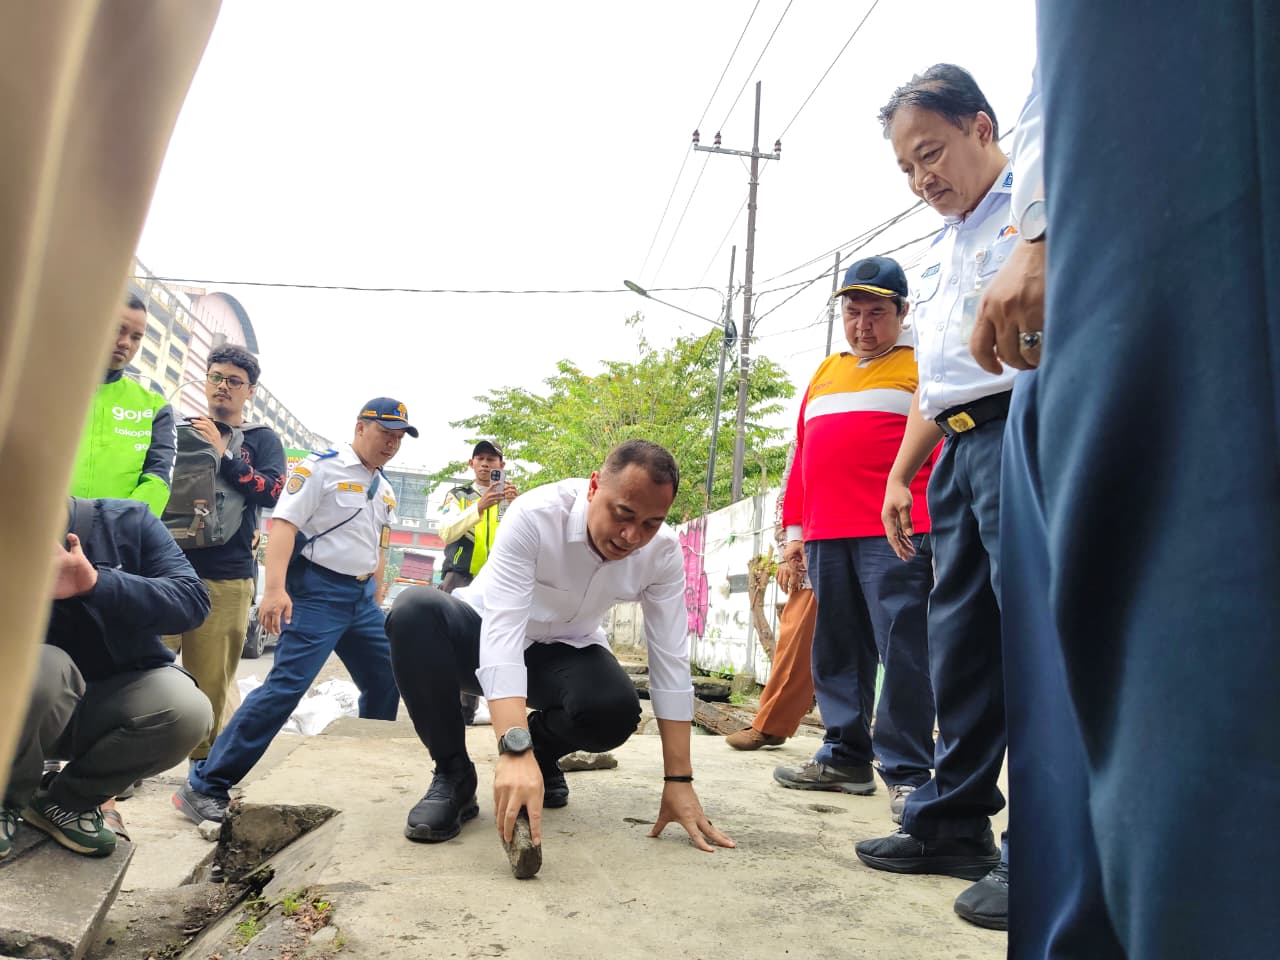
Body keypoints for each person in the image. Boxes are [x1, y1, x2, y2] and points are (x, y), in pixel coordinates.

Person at [386, 440, 734, 877]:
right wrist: (512, 749)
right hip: (481, 634)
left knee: (614, 710)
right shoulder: (536, 515)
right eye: (623, 514)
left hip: (566, 648)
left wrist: (679, 781)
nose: (632, 536)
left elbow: (670, 660)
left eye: (651, 522)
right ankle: (454, 774)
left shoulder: (661, 552)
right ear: (594, 487)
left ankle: (543, 754)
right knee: (414, 612)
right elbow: (503, 632)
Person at [855, 65, 1017, 900]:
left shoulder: (1038, 208)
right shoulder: (943, 247)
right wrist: (901, 473)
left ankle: (1045, 847)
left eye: (931, 153)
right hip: (956, 451)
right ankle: (953, 822)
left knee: (1035, 641)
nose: (922, 179)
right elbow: (938, 379)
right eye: (907, 168)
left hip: (1024, 430)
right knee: (962, 644)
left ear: (982, 128)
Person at [173, 398, 414, 824]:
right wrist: (275, 590)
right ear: (360, 428)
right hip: (318, 593)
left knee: (388, 677)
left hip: (361, 601)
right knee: (284, 689)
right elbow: (284, 525)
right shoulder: (321, 469)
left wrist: (375, 596)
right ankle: (205, 785)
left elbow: (379, 547)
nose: (391, 443)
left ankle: (362, 768)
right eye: (385, 433)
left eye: (398, 437)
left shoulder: (385, 489)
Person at [773, 257, 937, 826]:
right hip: (826, 532)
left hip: (897, 529)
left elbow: (941, 444)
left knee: (903, 649)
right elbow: (804, 454)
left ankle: (909, 771)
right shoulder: (826, 371)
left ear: (902, 312)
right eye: (852, 313)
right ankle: (844, 757)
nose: (862, 325)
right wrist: (795, 533)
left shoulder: (923, 364)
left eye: (876, 313)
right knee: (837, 649)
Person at [1, 498, 212, 859]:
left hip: (111, 708)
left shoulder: (126, 521)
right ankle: (5, 799)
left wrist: (96, 583)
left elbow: (192, 601)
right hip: (23, 705)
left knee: (187, 710)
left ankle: (66, 802)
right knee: (44, 665)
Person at [163, 345, 286, 762]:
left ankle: (202, 773)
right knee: (140, 670)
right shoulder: (177, 428)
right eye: (216, 377)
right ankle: (127, 765)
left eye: (234, 381)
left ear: (250, 391)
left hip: (227, 575)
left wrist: (225, 455)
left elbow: (273, 492)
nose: (223, 387)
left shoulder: (262, 439)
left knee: (211, 684)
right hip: (165, 569)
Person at [725, 442, 816, 752]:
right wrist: (786, 548)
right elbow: (790, 491)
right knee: (796, 642)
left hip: (887, 541)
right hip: (817, 548)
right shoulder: (810, 421)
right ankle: (772, 724)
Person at [68, 294, 177, 517]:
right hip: (37, 526)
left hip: (115, 535)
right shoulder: (46, 388)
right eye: (118, 329)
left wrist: (114, 525)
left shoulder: (155, 408)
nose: (126, 343)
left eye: (136, 337)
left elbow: (158, 478)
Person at [438, 439, 519, 723]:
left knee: (492, 642)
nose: (485, 464)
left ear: (501, 465)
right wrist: (479, 508)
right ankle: (449, 710)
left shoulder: (508, 498)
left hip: (498, 580)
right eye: (480, 458)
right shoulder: (458, 496)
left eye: (491, 459)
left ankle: (471, 712)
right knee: (451, 642)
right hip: (460, 577)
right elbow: (446, 531)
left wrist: (516, 504)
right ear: (471, 463)